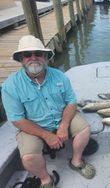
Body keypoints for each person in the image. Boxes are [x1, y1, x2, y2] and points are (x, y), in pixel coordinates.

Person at [1, 35, 96, 188]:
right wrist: (46, 135)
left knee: (84, 130)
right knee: (28, 157)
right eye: (27, 55)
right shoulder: (10, 86)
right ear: (21, 59)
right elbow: (17, 119)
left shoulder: (59, 76)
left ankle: (76, 161)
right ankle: (46, 180)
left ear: (45, 57)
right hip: (32, 126)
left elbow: (71, 102)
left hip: (60, 118)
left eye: (38, 53)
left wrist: (64, 126)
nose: (33, 58)